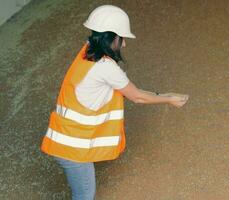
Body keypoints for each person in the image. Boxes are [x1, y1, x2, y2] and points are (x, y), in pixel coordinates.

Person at [40, 5, 189, 200]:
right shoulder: (105, 67)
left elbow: (131, 91)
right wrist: (169, 98)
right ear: (110, 38)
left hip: (66, 141)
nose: (124, 44)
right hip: (72, 148)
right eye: (122, 38)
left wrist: (163, 94)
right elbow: (137, 96)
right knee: (84, 195)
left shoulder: (86, 52)